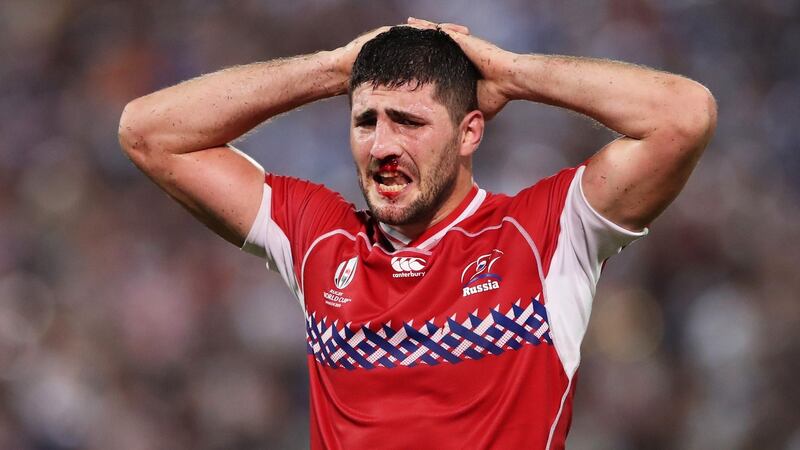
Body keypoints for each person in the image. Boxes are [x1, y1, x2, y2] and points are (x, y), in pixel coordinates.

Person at [118, 17, 716, 450]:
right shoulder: (321, 240)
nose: (382, 147)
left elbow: (683, 116)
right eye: (365, 121)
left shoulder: (547, 233)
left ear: (469, 133)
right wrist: (332, 69)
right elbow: (148, 132)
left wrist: (510, 72)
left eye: (408, 122)